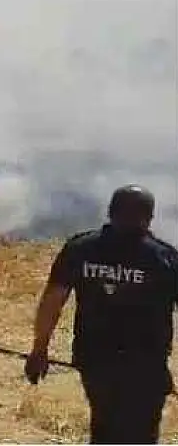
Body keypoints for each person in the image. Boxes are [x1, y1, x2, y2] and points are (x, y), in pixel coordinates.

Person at [25, 184, 178, 444]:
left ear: (110, 212)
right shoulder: (163, 259)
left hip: (94, 359)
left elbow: (52, 301)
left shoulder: (81, 249)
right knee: (140, 435)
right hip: (145, 366)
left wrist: (39, 350)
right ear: (149, 217)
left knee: (103, 427)